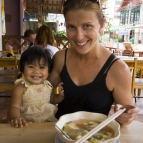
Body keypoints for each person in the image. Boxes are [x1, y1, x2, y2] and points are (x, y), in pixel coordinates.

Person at [48, 0, 139, 125]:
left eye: (87, 26)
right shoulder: (60, 58)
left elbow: (125, 115)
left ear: (101, 25)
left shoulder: (117, 69)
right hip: (58, 133)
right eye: (71, 27)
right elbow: (42, 93)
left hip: (96, 137)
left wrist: (127, 116)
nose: (79, 37)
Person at [7, 46, 64, 128]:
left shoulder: (47, 85)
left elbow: (52, 99)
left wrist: (59, 96)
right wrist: (16, 118)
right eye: (31, 67)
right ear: (23, 69)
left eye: (42, 67)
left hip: (47, 123)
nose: (36, 71)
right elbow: (14, 106)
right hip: (26, 124)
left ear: (49, 71)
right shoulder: (21, 87)